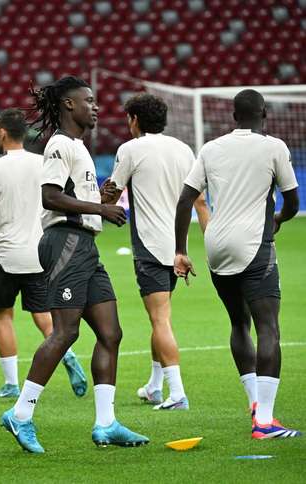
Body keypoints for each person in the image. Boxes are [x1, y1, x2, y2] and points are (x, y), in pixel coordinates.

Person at [0, 76, 149, 453]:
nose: (96, 107)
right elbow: (50, 198)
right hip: (65, 242)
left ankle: (106, 423)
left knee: (110, 333)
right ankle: (19, 415)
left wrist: (100, 198)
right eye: (89, 100)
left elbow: (72, 196)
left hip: (84, 244)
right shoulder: (59, 145)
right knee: (65, 332)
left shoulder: (77, 148)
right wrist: (100, 207)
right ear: (69, 105)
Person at [174, 89, 301, 438]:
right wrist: (277, 218)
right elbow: (292, 201)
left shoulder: (211, 148)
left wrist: (180, 250)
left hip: (215, 243)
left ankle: (254, 404)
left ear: (233, 116)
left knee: (238, 323)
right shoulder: (274, 147)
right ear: (264, 113)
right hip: (253, 244)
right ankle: (266, 422)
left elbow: (186, 200)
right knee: (268, 327)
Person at [101, 93, 211, 409]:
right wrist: (210, 242)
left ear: (134, 120)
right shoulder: (183, 149)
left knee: (160, 319)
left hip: (149, 246)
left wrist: (83, 205)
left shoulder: (130, 149)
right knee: (159, 316)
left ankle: (178, 394)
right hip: (178, 247)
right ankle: (154, 386)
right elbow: (200, 201)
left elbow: (111, 195)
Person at [0, 108, 87, 399]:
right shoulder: (42, 163)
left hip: (8, 254)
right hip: (40, 252)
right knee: (43, 315)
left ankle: (11, 383)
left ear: (1, 132)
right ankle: (67, 354)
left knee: (4, 315)